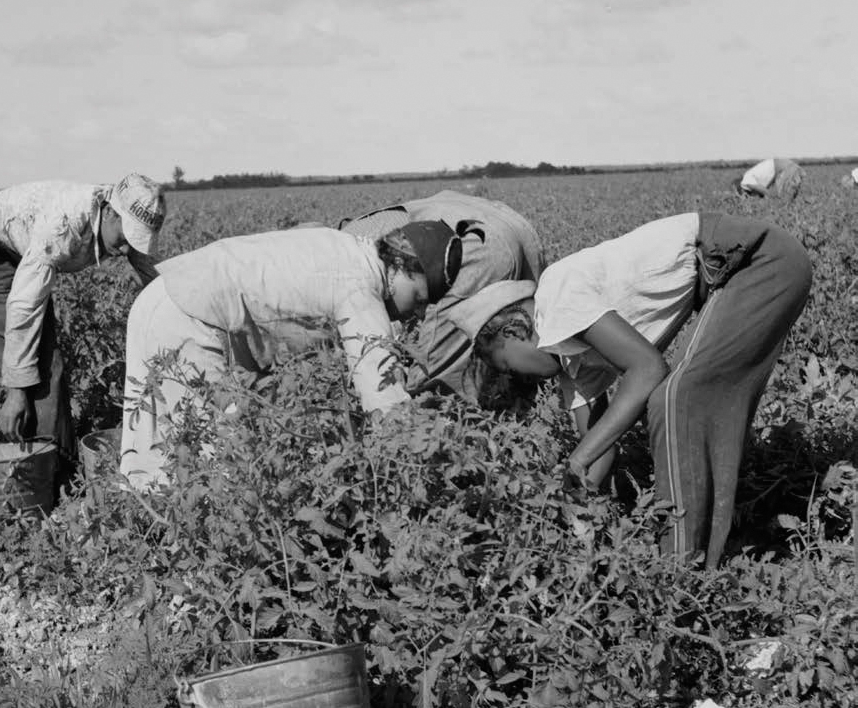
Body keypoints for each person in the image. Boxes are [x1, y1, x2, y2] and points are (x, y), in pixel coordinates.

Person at [448, 211, 812, 569]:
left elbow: (648, 369)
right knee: (687, 400)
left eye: (510, 366)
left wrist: (575, 460)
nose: (524, 379)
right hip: (738, 273)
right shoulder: (572, 362)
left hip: (758, 260)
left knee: (676, 400)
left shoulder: (554, 298)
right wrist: (573, 512)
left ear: (513, 332)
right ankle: (699, 555)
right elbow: (600, 444)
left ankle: (680, 571)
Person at [120, 220, 464, 488]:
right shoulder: (360, 287)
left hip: (160, 297)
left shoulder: (344, 248)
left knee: (147, 450)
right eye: (419, 299)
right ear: (403, 267)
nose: (416, 315)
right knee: (217, 463)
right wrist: (436, 451)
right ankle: (191, 568)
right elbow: (385, 401)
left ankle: (129, 550)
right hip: (189, 316)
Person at [0, 173, 166, 465]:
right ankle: (45, 477)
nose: (126, 250)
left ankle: (57, 468)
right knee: (42, 364)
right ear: (110, 211)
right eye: (125, 239)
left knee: (47, 362)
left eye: (136, 242)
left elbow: (155, 279)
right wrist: (16, 391)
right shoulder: (63, 226)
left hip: (16, 246)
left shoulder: (120, 217)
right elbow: (24, 308)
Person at [337, 190, 545, 397]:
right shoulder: (360, 234)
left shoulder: (342, 268)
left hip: (472, 246)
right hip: (510, 224)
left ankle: (420, 423)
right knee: (531, 343)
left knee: (434, 374)